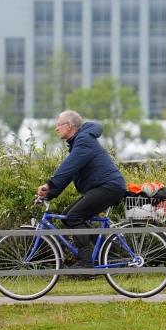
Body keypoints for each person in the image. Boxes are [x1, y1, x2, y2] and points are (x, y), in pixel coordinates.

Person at [37, 110, 126, 272]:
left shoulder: (84, 141)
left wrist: (49, 184)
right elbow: (69, 174)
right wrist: (49, 194)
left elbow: (68, 167)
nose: (56, 128)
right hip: (105, 186)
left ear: (69, 126)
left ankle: (85, 262)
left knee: (74, 216)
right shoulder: (79, 142)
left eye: (59, 125)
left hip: (108, 186)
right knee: (67, 216)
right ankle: (111, 255)